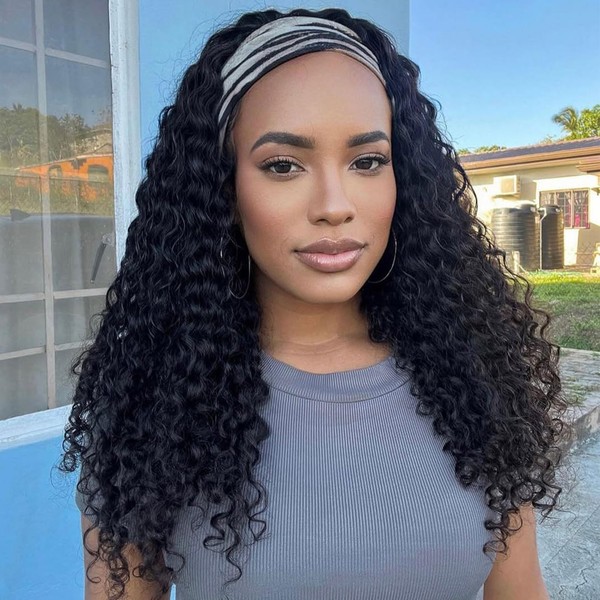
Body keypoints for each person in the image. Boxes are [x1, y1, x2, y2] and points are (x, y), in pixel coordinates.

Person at [60, 7, 569, 600]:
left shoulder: (479, 380)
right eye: (283, 165)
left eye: (367, 162)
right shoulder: (151, 406)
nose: (334, 204)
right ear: (223, 187)